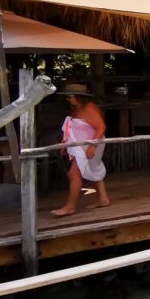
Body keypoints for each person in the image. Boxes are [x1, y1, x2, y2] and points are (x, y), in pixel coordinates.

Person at [52, 84, 111, 217]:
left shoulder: (89, 108)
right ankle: (103, 199)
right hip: (82, 144)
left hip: (93, 143)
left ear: (79, 97)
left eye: (70, 96)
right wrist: (67, 145)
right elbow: (74, 130)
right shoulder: (75, 109)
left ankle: (70, 206)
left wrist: (92, 146)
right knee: (92, 168)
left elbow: (101, 127)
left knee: (74, 173)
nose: (68, 99)